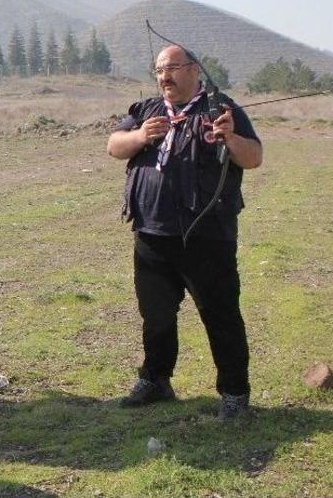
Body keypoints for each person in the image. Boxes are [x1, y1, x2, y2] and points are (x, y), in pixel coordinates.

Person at [107, 45, 263, 419]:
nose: (165, 77)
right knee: (156, 315)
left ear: (195, 70)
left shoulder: (222, 109)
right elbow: (114, 146)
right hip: (151, 232)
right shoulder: (147, 110)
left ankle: (235, 394)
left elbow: (254, 157)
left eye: (173, 68)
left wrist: (230, 138)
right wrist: (141, 136)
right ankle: (155, 380)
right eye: (160, 70)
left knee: (220, 316)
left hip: (206, 234)